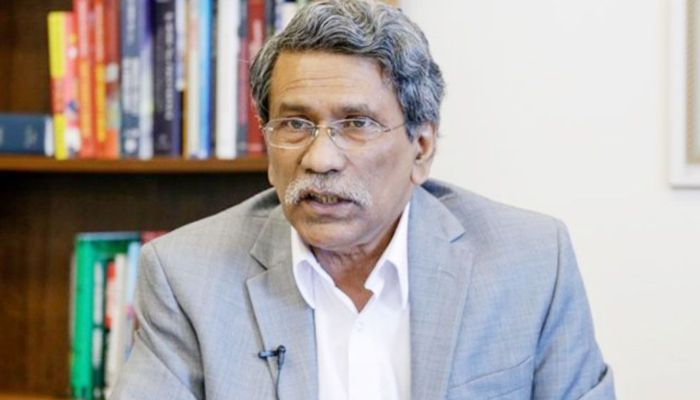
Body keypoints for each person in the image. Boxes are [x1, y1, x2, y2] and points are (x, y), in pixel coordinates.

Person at [111, 1, 615, 399]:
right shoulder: (186, 276)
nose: (320, 158)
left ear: (421, 148)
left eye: (357, 124)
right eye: (295, 124)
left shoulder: (530, 263)